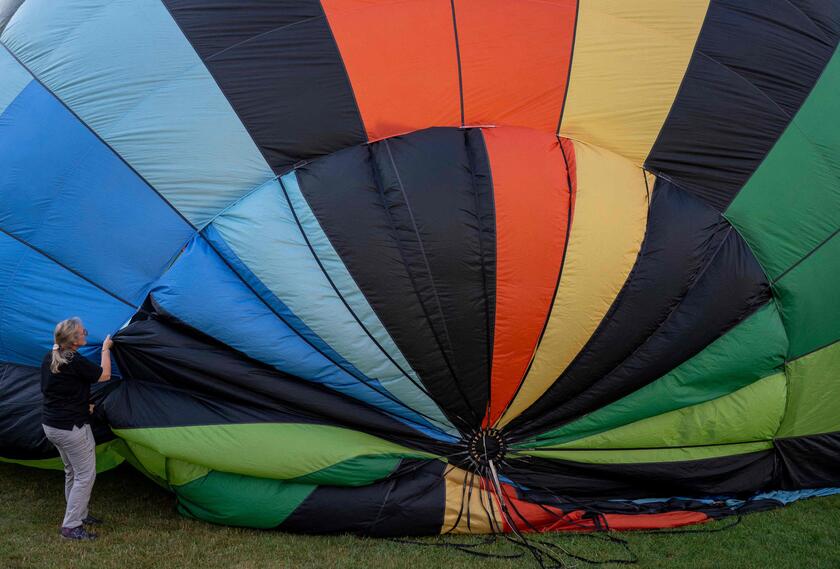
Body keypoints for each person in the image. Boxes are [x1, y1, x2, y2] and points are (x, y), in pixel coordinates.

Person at [40, 317, 113, 541]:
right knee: (85, 475)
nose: (86, 334)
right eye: (83, 332)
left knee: (72, 471)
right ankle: (71, 526)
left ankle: (79, 514)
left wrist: (83, 404)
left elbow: (54, 390)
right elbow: (105, 375)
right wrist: (106, 349)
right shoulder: (73, 360)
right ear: (73, 340)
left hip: (52, 425)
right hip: (71, 428)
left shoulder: (50, 357)